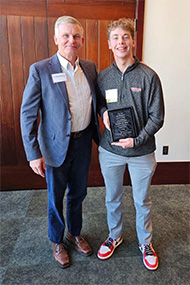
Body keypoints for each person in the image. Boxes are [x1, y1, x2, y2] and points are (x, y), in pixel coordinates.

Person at [20, 16, 100, 269]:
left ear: (82, 40)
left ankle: (74, 233)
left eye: (76, 36)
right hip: (54, 147)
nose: (71, 40)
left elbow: (97, 102)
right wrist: (33, 153)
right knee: (56, 197)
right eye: (65, 36)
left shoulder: (89, 67)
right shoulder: (41, 69)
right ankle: (57, 240)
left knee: (79, 193)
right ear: (56, 39)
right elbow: (28, 114)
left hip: (83, 141)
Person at [97, 18, 164, 271]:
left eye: (125, 37)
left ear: (133, 41)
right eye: (115, 38)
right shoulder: (103, 77)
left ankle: (145, 243)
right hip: (110, 151)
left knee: (142, 201)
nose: (121, 42)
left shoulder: (149, 76)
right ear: (109, 44)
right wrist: (103, 112)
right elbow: (99, 105)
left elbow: (157, 116)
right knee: (112, 197)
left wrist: (137, 140)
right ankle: (115, 236)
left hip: (141, 152)